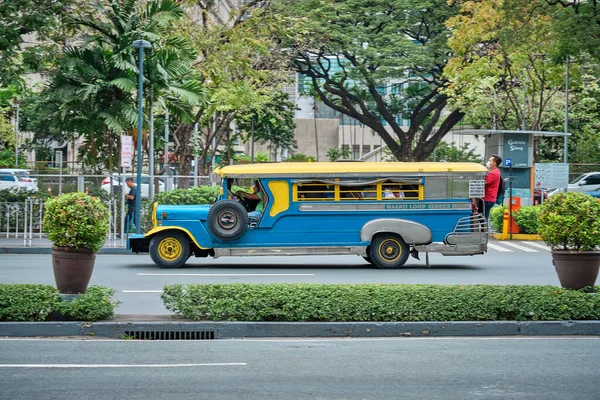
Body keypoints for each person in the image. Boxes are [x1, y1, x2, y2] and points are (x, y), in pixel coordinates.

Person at [473, 154, 502, 221]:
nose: (488, 162)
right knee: (482, 217)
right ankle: (484, 230)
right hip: (488, 199)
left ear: (494, 163)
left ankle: (484, 231)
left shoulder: (494, 173)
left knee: (483, 218)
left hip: (487, 199)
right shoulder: (495, 172)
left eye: (489, 161)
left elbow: (483, 182)